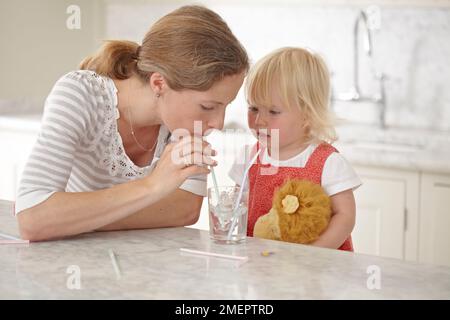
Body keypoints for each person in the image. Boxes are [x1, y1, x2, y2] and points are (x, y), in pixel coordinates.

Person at [16, 5, 249, 241]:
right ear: (159, 84)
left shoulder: (185, 123)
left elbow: (185, 210)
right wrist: (153, 186)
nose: (218, 123)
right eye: (208, 107)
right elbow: (33, 218)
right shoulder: (80, 94)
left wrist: (74, 219)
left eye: (224, 105)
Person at [229, 47, 362, 251]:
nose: (259, 120)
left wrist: (311, 254)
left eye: (273, 111)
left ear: (307, 115)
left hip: (317, 269)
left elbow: (345, 217)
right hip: (262, 265)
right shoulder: (249, 157)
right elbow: (236, 207)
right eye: (253, 108)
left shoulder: (327, 162)